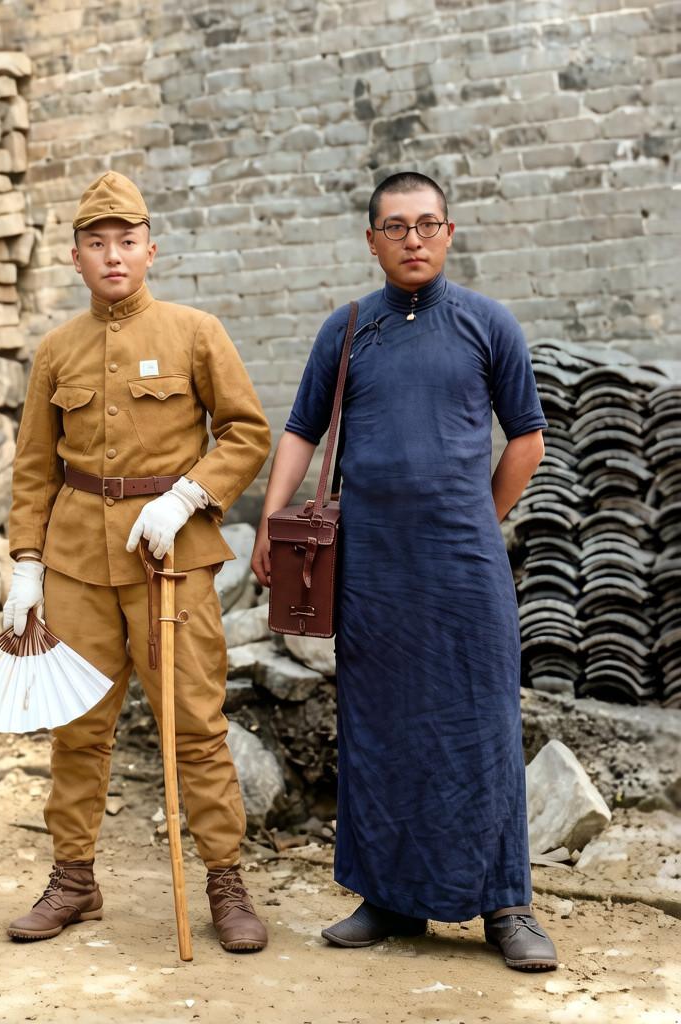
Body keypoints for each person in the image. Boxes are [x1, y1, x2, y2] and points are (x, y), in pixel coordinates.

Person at [251, 171, 557, 971]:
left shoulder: (489, 323)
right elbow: (300, 431)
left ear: (449, 233)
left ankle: (505, 904)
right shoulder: (347, 330)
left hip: (465, 568)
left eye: (427, 225)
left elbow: (527, 439)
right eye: (396, 226)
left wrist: (477, 519)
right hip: (370, 567)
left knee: (481, 728)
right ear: (372, 239)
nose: (413, 239)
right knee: (379, 728)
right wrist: (270, 523)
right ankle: (387, 899)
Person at [3, 171, 271, 953]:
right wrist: (26, 564)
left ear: (151, 249)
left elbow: (247, 432)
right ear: (76, 257)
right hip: (78, 562)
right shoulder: (56, 351)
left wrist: (188, 496)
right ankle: (74, 879)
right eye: (97, 244)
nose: (113, 256)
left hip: (171, 560)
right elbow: (33, 470)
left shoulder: (194, 332)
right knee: (76, 728)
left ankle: (226, 882)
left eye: (126, 242)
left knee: (195, 725)